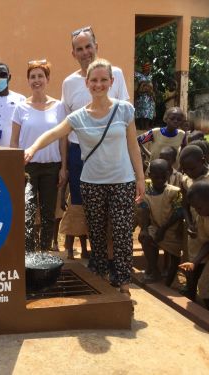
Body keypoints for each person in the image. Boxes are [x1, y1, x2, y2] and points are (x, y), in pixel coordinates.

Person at [25, 59, 145, 295]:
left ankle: (123, 284)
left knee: (121, 235)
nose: (98, 84)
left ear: (111, 82)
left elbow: (133, 146)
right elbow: (53, 133)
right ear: (87, 83)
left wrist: (140, 178)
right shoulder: (79, 117)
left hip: (122, 181)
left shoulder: (124, 110)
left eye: (103, 80)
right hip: (92, 184)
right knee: (97, 236)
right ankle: (100, 277)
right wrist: (32, 148)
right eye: (94, 80)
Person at [60, 26, 129, 260]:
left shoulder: (116, 74)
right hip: (79, 153)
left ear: (96, 47)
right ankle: (90, 258)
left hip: (111, 153)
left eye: (88, 46)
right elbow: (64, 128)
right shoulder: (68, 83)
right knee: (82, 205)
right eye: (79, 49)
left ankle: (111, 260)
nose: (85, 52)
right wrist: (64, 164)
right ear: (73, 54)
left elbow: (127, 118)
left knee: (110, 207)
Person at [11, 59, 65, 252]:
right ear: (28, 81)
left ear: (47, 79)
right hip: (28, 168)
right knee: (28, 212)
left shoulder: (59, 107)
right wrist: (15, 167)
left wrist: (63, 168)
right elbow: (14, 142)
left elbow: (62, 140)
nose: (36, 80)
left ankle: (44, 252)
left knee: (49, 212)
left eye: (40, 76)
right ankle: (28, 253)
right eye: (32, 77)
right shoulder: (20, 108)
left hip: (52, 166)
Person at [179, 145, 209, 300]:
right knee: (198, 263)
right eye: (184, 169)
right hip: (201, 227)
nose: (188, 172)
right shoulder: (186, 180)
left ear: (202, 160)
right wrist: (189, 222)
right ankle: (194, 292)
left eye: (192, 168)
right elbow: (185, 205)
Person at [179, 182, 209, 318]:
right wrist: (194, 262)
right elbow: (208, 243)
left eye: (199, 207)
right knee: (203, 285)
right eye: (194, 207)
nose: (197, 210)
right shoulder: (202, 217)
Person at [138, 159, 183, 286]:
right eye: (156, 177)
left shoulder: (174, 191)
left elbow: (179, 212)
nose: (159, 180)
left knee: (175, 256)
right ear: (150, 175)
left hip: (171, 229)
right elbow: (144, 208)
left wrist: (164, 228)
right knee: (145, 238)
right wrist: (145, 228)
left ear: (168, 175)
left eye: (163, 177)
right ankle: (154, 270)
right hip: (155, 226)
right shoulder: (146, 187)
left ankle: (169, 279)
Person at [134, 62, 155, 129]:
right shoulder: (138, 75)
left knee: (149, 111)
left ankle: (146, 126)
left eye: (149, 67)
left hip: (149, 97)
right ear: (144, 68)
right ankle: (141, 127)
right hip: (141, 96)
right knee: (140, 111)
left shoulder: (150, 76)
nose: (149, 69)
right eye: (147, 67)